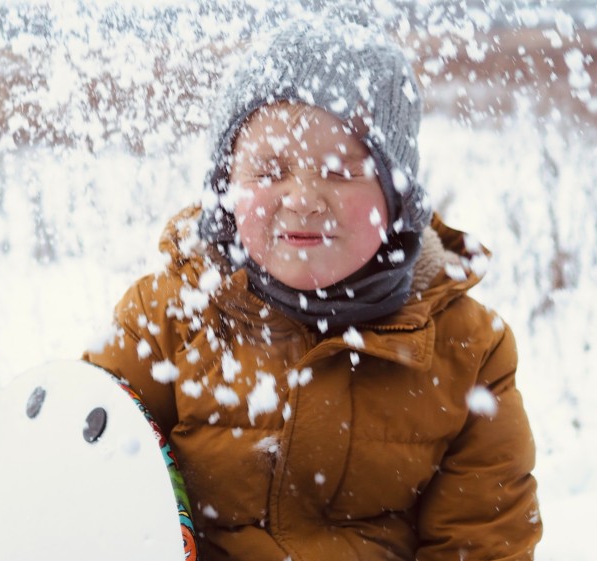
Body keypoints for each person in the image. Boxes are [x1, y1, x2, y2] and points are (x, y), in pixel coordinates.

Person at [84, 13, 542, 561]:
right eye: (268, 171)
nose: (302, 200)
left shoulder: (467, 349)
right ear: (226, 188)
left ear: (397, 196)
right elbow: (85, 480)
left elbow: (482, 542)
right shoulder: (168, 317)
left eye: (341, 172)